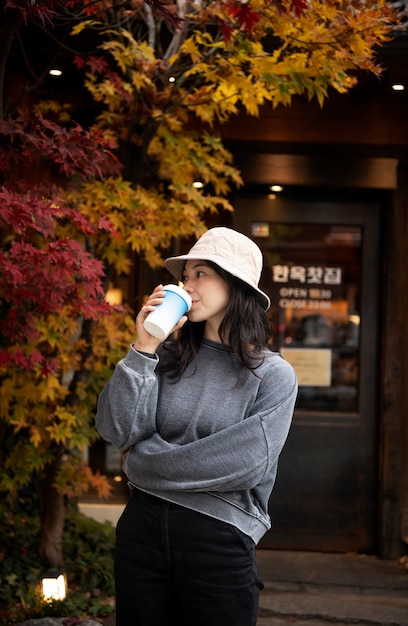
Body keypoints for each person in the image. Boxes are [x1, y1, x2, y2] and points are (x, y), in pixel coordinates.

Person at [95, 226, 298, 626]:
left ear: (235, 284)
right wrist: (144, 347)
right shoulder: (165, 356)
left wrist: (140, 465)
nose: (186, 285)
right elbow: (115, 430)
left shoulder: (273, 375)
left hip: (218, 536)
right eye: (184, 276)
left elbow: (245, 465)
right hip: (142, 528)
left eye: (200, 274)